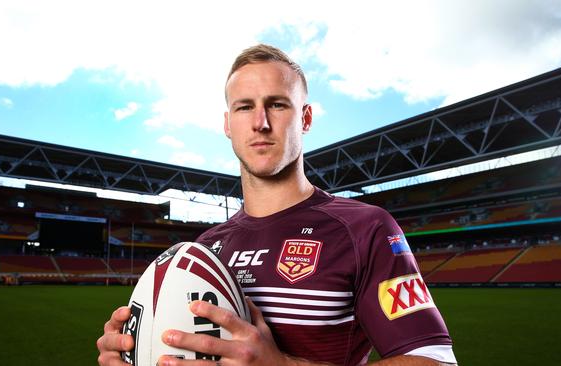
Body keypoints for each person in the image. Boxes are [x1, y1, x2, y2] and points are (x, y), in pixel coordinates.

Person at [97, 44, 457, 366]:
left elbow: (436, 361)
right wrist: (133, 350)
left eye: (277, 104)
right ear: (228, 124)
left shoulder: (365, 228)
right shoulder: (204, 249)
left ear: (306, 118)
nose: (260, 123)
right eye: (244, 107)